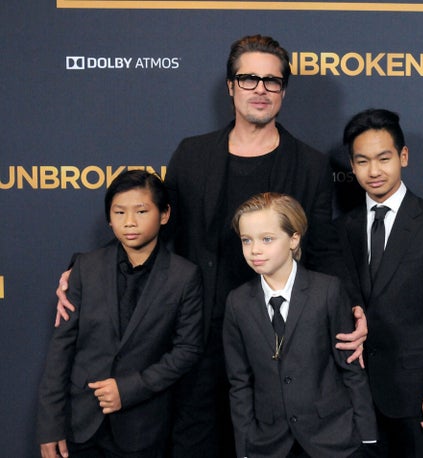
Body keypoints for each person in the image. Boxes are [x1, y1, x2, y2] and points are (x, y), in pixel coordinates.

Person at [54, 35, 367, 457]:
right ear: (230, 86)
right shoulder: (192, 154)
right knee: (195, 442)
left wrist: (353, 308)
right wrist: (81, 271)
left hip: (279, 337)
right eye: (249, 78)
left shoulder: (310, 164)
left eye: (272, 81)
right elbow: (154, 229)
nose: (260, 89)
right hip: (195, 333)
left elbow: (325, 248)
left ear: (283, 91)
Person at [37, 170, 204, 458]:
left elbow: (187, 350)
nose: (129, 222)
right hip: (80, 424)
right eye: (119, 212)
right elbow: (60, 351)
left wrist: (129, 389)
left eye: (141, 211)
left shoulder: (184, 276)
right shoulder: (84, 269)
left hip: (142, 427)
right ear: (108, 218)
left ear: (164, 214)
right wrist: (50, 425)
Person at [334, 109, 423, 457]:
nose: (374, 171)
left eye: (383, 158)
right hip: (357, 393)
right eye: (362, 161)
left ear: (403, 157)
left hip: (417, 394)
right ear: (352, 165)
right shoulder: (344, 227)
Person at [223, 193, 377, 457]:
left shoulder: (327, 291)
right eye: (246, 240)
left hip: (332, 437)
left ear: (294, 239)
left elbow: (350, 369)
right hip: (268, 443)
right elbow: (239, 382)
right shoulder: (237, 302)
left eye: (267, 239)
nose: (255, 250)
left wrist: (367, 437)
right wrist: (245, 445)